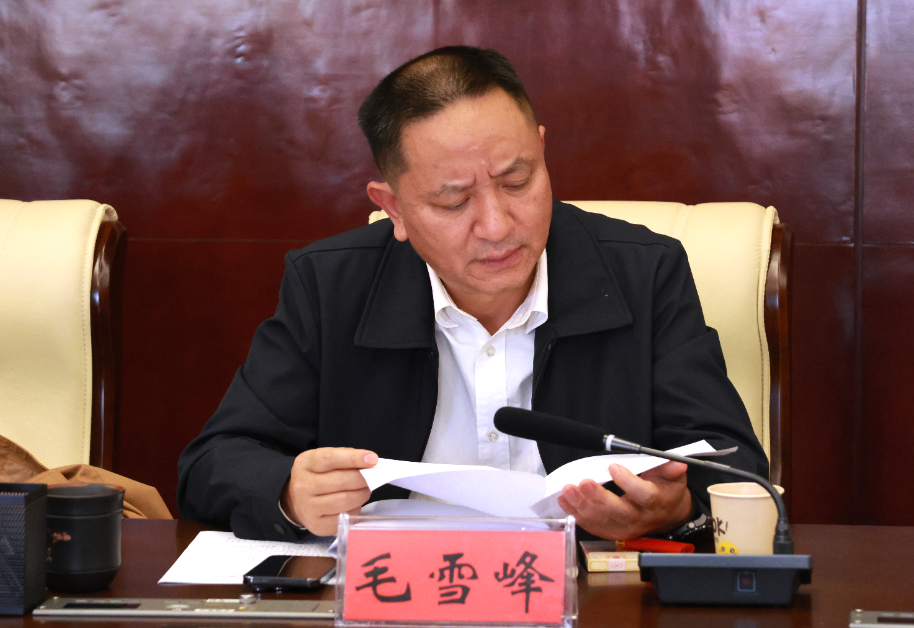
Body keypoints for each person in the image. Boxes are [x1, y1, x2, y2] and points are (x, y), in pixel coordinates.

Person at [177, 45, 768, 542]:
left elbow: (735, 466)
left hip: (583, 596)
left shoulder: (645, 272)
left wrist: (678, 508)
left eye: (518, 180)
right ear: (393, 208)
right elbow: (213, 463)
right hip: (395, 599)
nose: (496, 225)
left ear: (542, 152)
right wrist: (288, 491)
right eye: (453, 201)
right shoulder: (329, 287)